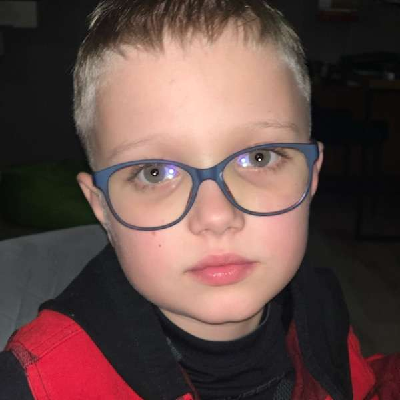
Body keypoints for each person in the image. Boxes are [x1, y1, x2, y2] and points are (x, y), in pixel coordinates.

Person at [0, 1, 399, 399]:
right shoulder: (36, 385)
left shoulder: (321, 302)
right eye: (155, 172)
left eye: (258, 158)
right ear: (101, 206)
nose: (216, 216)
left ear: (311, 175)